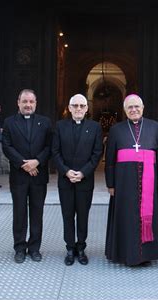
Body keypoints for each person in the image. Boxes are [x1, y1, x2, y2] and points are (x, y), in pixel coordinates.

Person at [105, 94, 158, 266]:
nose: (134, 110)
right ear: (125, 110)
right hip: (124, 183)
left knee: (148, 214)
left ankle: (146, 255)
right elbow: (109, 159)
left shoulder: (155, 127)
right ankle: (125, 254)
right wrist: (111, 184)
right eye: (130, 107)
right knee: (126, 216)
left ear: (143, 107)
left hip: (149, 180)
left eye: (136, 106)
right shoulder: (117, 129)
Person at [52, 94, 103, 266]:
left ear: (87, 108)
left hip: (85, 180)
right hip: (65, 180)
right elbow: (55, 151)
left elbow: (97, 153)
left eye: (82, 105)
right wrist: (66, 172)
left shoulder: (95, 127)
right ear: (70, 107)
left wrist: (83, 173)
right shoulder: (60, 126)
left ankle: (81, 247)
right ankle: (69, 248)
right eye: (75, 105)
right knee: (67, 215)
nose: (79, 109)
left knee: (83, 215)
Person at [2, 89, 52, 263]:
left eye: (31, 102)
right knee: (19, 213)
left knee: (37, 213)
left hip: (39, 176)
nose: (28, 105)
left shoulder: (45, 123)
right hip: (19, 176)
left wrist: (36, 162)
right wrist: (25, 164)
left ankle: (35, 248)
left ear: (35, 103)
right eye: (25, 101)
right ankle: (20, 248)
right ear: (18, 102)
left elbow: (49, 146)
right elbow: (6, 147)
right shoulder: (9, 122)